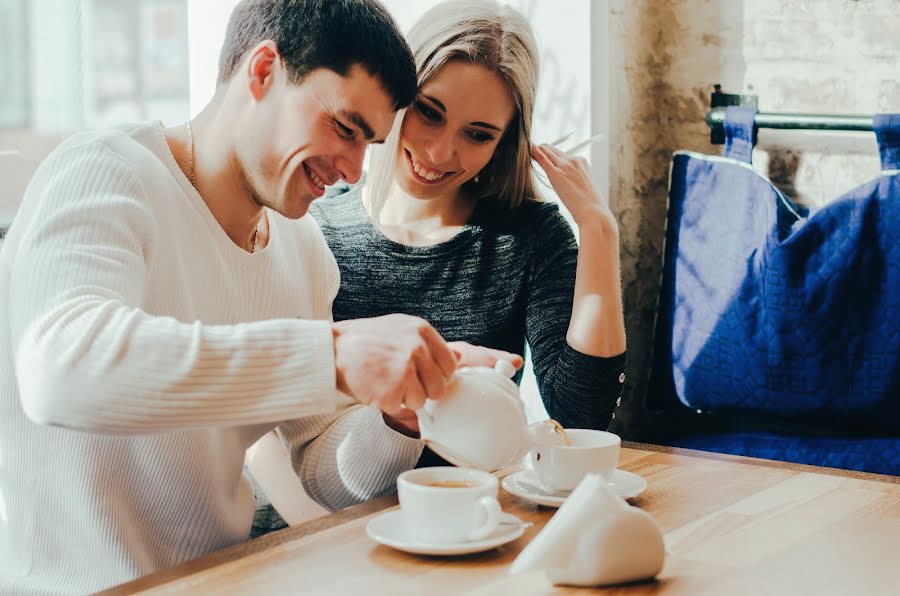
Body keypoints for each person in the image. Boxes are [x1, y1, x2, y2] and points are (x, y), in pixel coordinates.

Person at [0, 0, 509, 592]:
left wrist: (399, 412)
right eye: (345, 128)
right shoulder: (103, 172)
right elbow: (60, 371)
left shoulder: (303, 251)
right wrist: (333, 353)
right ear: (263, 70)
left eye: (369, 142)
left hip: (227, 578)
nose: (352, 170)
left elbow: (323, 469)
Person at [249, 0, 627, 532]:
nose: (440, 151)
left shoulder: (526, 237)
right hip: (311, 528)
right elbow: (261, 425)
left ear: (504, 143)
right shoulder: (309, 226)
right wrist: (319, 537)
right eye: (429, 111)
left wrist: (599, 233)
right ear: (397, 97)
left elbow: (580, 419)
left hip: (464, 531)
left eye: (478, 134)